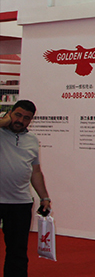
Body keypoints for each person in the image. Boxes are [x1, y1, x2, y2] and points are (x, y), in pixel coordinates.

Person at [0, 100, 51, 276]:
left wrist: (44, 197)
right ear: (10, 113)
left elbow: (35, 172)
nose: (21, 121)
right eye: (18, 115)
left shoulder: (32, 140)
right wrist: (3, 122)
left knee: (18, 250)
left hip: (20, 202)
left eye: (27, 118)